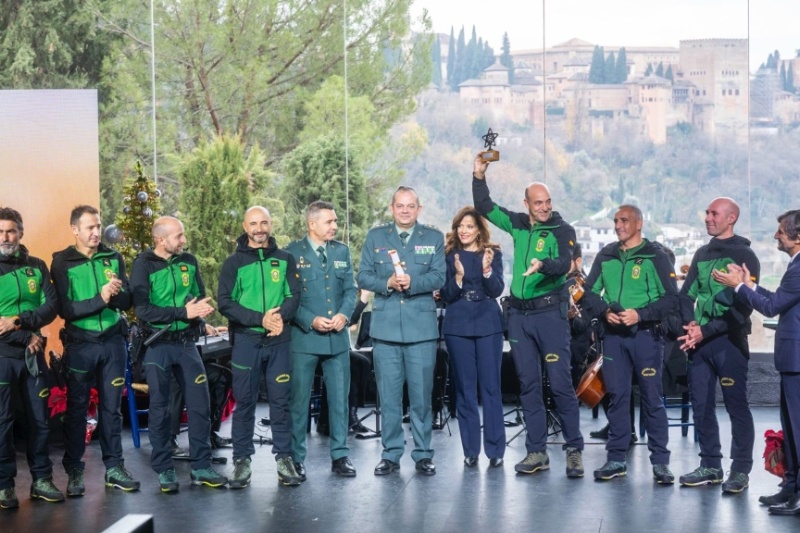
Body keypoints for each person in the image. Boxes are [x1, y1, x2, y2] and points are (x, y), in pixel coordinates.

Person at [472, 156, 585, 478]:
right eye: (538, 202)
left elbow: (566, 261)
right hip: (519, 316)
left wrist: (542, 265)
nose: (544, 207)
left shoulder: (563, 229)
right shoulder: (518, 223)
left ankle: (573, 449)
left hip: (550, 313)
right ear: (527, 203)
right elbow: (484, 205)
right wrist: (479, 174)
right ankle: (536, 452)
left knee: (561, 384)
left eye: (548, 201)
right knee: (528, 385)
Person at [129, 216, 227, 492]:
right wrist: (183, 313)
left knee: (199, 405)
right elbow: (143, 310)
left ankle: (201, 467)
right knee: (160, 409)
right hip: (156, 346)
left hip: (186, 345)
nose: (184, 240)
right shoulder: (143, 264)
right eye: (178, 236)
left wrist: (199, 318)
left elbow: (197, 297)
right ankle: (164, 470)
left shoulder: (189, 261)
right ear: (161, 240)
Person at [713, 209, 800, 515]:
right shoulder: (795, 266)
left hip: (797, 361)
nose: (776, 235)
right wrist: (749, 285)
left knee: (798, 430)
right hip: (791, 361)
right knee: (791, 430)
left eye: (781, 231)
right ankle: (791, 488)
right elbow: (780, 298)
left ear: (797, 236)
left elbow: (772, 307)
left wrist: (739, 287)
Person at [50, 205, 140, 497]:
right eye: (89, 227)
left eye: (98, 226)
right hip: (80, 345)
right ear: (75, 229)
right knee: (77, 410)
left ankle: (114, 469)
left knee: (112, 410)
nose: (96, 232)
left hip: (113, 344)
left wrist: (116, 294)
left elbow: (126, 301)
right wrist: (101, 297)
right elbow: (66, 309)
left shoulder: (112, 257)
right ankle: (75, 471)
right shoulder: (62, 262)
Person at [584, 205, 677, 484]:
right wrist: (604, 311)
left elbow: (672, 299)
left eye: (624, 220)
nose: (618, 225)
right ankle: (616, 459)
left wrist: (640, 314)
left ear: (639, 223)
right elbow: (588, 293)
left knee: (652, 400)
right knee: (617, 398)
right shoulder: (607, 255)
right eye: (615, 221)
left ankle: (660, 462)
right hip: (613, 338)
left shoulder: (655, 256)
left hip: (646, 337)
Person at [357, 186, 445, 476]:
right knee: (390, 398)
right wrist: (388, 284)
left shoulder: (433, 237)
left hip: (421, 330)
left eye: (411, 206)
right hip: (386, 330)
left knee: (421, 398)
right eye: (400, 206)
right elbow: (364, 275)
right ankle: (391, 455)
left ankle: (423, 454)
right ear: (391, 208)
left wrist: (412, 283)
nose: (405, 211)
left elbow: (439, 276)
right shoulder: (376, 236)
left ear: (419, 209)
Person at [676, 197, 759, 493]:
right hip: (699, 342)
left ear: (731, 217)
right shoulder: (701, 253)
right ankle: (710, 464)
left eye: (714, 213)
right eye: (707, 212)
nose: (708, 217)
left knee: (736, 406)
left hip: (729, 344)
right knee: (701, 405)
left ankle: (740, 470)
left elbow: (742, 311)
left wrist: (705, 330)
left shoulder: (745, 255)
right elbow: (686, 295)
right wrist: (691, 326)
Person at [217, 206, 302, 488]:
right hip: (246, 342)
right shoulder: (233, 263)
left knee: (281, 403)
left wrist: (279, 318)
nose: (259, 228)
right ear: (245, 226)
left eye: (264, 222)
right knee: (245, 404)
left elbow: (294, 295)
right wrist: (260, 320)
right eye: (253, 223)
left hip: (279, 340)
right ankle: (241, 461)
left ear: (271, 224)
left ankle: (285, 458)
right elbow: (225, 303)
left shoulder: (285, 259)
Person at [287, 201, 358, 478]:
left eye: (336, 221)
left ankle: (340, 455)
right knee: (299, 401)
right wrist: (309, 319)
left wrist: (344, 314)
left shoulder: (342, 250)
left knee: (340, 400)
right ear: (311, 224)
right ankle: (296, 457)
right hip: (304, 339)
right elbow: (288, 298)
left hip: (337, 340)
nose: (334, 226)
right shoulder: (292, 253)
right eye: (329, 222)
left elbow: (350, 290)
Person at [0, 207, 61, 508]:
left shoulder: (37, 265)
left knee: (41, 420)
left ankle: (41, 479)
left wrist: (19, 321)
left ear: (21, 232)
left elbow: (50, 306)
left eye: (11, 230)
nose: (5, 237)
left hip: (34, 357)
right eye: (0, 231)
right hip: (4, 356)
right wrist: (28, 334)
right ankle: (4, 485)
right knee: (3, 422)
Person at [440, 206, 505, 467]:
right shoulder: (448, 255)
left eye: (469, 226)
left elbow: (497, 289)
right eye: (460, 226)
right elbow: (446, 294)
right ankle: (470, 451)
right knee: (465, 390)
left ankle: (496, 451)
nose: (464, 231)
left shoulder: (493, 253)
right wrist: (457, 276)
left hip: (489, 322)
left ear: (479, 229)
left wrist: (487, 270)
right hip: (458, 324)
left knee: (491, 388)